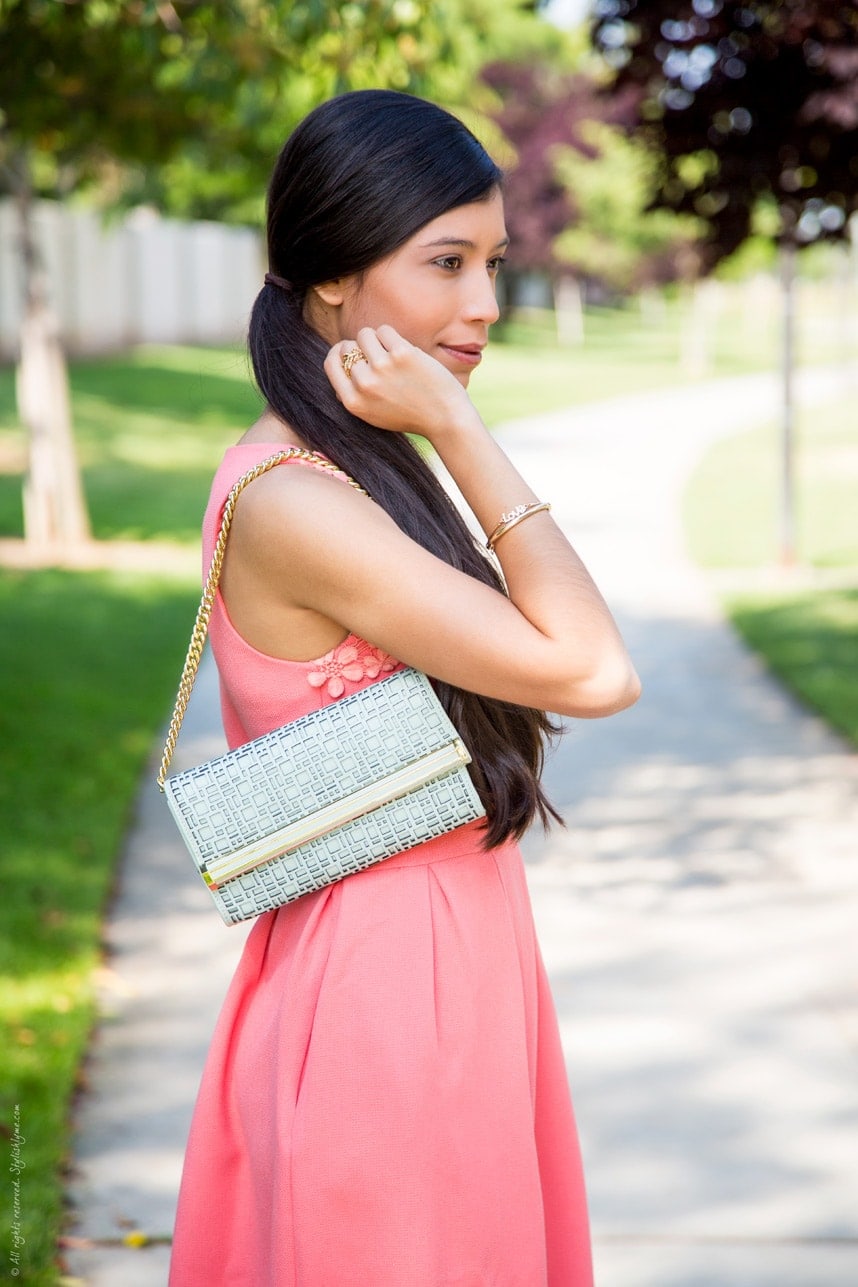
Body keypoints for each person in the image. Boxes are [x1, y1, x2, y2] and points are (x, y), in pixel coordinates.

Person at [168, 88, 640, 1287]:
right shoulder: (299, 503)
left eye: (492, 261)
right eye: (445, 262)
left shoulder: (347, 473)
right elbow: (593, 669)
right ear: (334, 276)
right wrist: (463, 431)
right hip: (385, 990)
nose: (484, 304)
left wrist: (434, 433)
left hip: (442, 955)